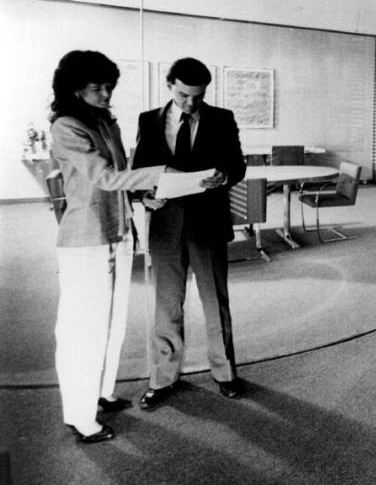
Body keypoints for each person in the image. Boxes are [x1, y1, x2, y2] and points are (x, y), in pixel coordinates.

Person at [48, 50, 170, 443]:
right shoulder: (66, 127)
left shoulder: (106, 122)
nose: (106, 94)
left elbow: (124, 179)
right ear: (75, 89)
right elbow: (105, 176)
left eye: (109, 87)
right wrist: (159, 174)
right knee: (82, 331)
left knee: (113, 325)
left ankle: (101, 391)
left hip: (118, 234)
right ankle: (81, 417)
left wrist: (148, 194)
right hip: (86, 240)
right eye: (97, 88)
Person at [132, 57, 247, 410]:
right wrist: (144, 195)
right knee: (166, 305)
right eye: (183, 95)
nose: (191, 103)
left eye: (198, 96)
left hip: (207, 224)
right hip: (166, 225)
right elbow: (139, 171)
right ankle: (163, 378)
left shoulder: (222, 118)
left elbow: (237, 164)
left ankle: (225, 373)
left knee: (216, 302)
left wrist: (225, 176)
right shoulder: (148, 120)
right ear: (170, 86)